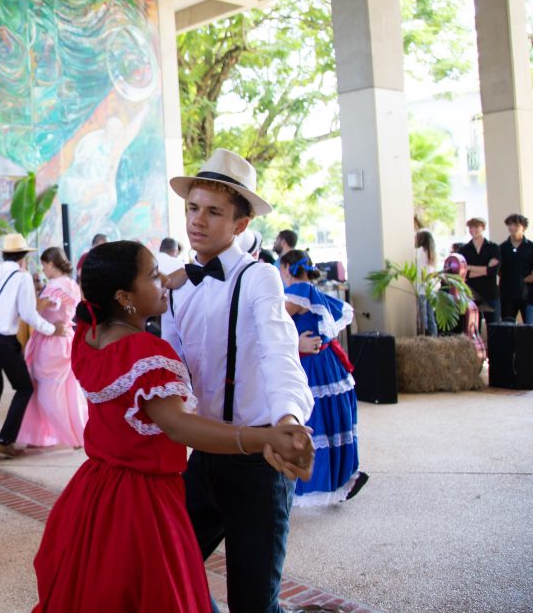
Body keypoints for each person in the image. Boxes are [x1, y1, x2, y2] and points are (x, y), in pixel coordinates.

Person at [32, 241, 313, 612]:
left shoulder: (90, 334)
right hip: (142, 499)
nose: (164, 280)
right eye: (152, 276)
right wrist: (263, 436)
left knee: (109, 586)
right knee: (160, 588)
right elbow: (179, 426)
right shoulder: (145, 352)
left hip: (97, 490)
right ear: (124, 297)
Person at [161, 148, 314, 613]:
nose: (197, 221)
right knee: (168, 565)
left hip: (259, 463)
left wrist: (288, 418)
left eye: (213, 212)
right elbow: (172, 367)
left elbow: (277, 348)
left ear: (240, 225)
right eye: (192, 208)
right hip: (204, 455)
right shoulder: (176, 286)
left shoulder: (259, 277)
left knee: (253, 600)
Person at [279, 250, 368, 506]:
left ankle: (313, 485)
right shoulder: (318, 295)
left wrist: (296, 343)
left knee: (312, 421)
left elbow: (272, 326)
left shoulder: (297, 295)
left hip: (313, 365)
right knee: (330, 423)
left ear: (286, 268)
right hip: (330, 364)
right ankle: (342, 477)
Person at [0, 234, 67, 459]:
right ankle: (4, 441)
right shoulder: (22, 277)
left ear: (4, 254)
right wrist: (53, 329)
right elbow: (29, 315)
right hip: (4, 341)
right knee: (24, 388)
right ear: (23, 257)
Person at [17, 247, 87, 448]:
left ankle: (67, 435)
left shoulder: (56, 285)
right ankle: (68, 434)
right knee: (67, 392)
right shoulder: (72, 284)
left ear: (50, 263)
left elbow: (37, 308)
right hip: (62, 339)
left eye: (44, 265)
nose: (44, 270)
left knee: (48, 394)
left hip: (52, 341)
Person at [459, 217, 501, 328]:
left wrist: (470, 267)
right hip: (472, 293)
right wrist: (485, 269)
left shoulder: (493, 247)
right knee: (472, 327)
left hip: (490, 293)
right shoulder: (464, 249)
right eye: (470, 227)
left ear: (483, 228)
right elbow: (464, 273)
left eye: (476, 227)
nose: (473, 230)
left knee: (494, 327)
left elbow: (493, 271)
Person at [498, 214, 533, 324]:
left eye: (516, 225)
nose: (512, 227)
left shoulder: (531, 247)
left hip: (528, 295)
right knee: (507, 328)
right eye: (510, 224)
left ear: (523, 227)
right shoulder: (502, 248)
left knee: (529, 328)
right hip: (507, 295)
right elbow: (498, 270)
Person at [415, 230, 439, 336]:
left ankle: (425, 339)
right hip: (431, 289)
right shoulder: (432, 254)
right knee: (431, 318)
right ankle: (434, 339)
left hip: (421, 289)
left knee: (423, 318)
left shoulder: (419, 252)